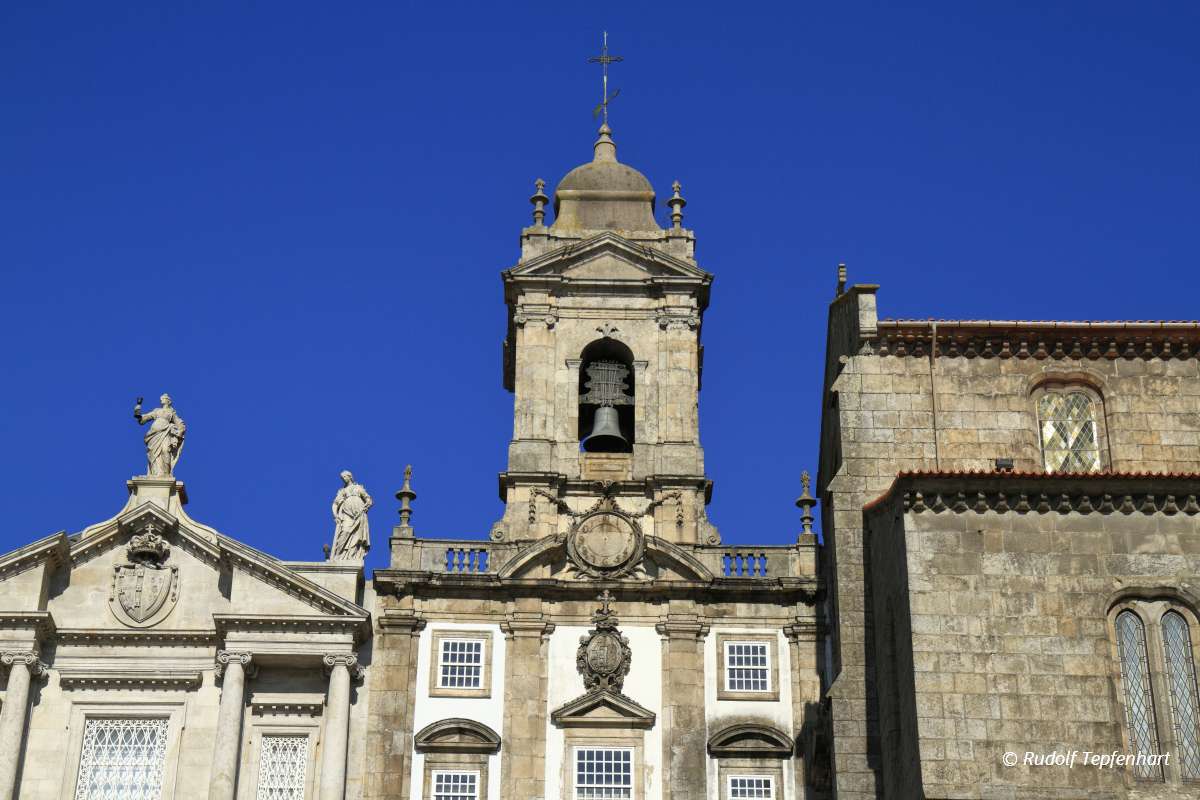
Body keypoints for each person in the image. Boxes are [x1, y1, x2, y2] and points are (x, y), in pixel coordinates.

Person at [133, 394, 186, 476]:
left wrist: (179, 432)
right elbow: (146, 417)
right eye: (161, 398)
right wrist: (138, 412)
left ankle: (166, 473)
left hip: (165, 432)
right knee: (153, 453)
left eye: (163, 398)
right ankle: (155, 473)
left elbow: (180, 424)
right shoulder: (157, 410)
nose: (161, 400)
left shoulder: (171, 412)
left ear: (168, 401)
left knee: (165, 450)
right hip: (154, 433)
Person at [331, 470, 372, 562]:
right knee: (344, 532)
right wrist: (336, 515)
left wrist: (366, 506)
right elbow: (335, 504)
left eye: (345, 477)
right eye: (342, 478)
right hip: (347, 514)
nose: (344, 479)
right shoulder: (342, 491)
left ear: (350, 477)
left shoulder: (358, 488)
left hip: (359, 514)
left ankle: (353, 556)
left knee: (357, 536)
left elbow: (368, 499)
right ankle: (339, 556)